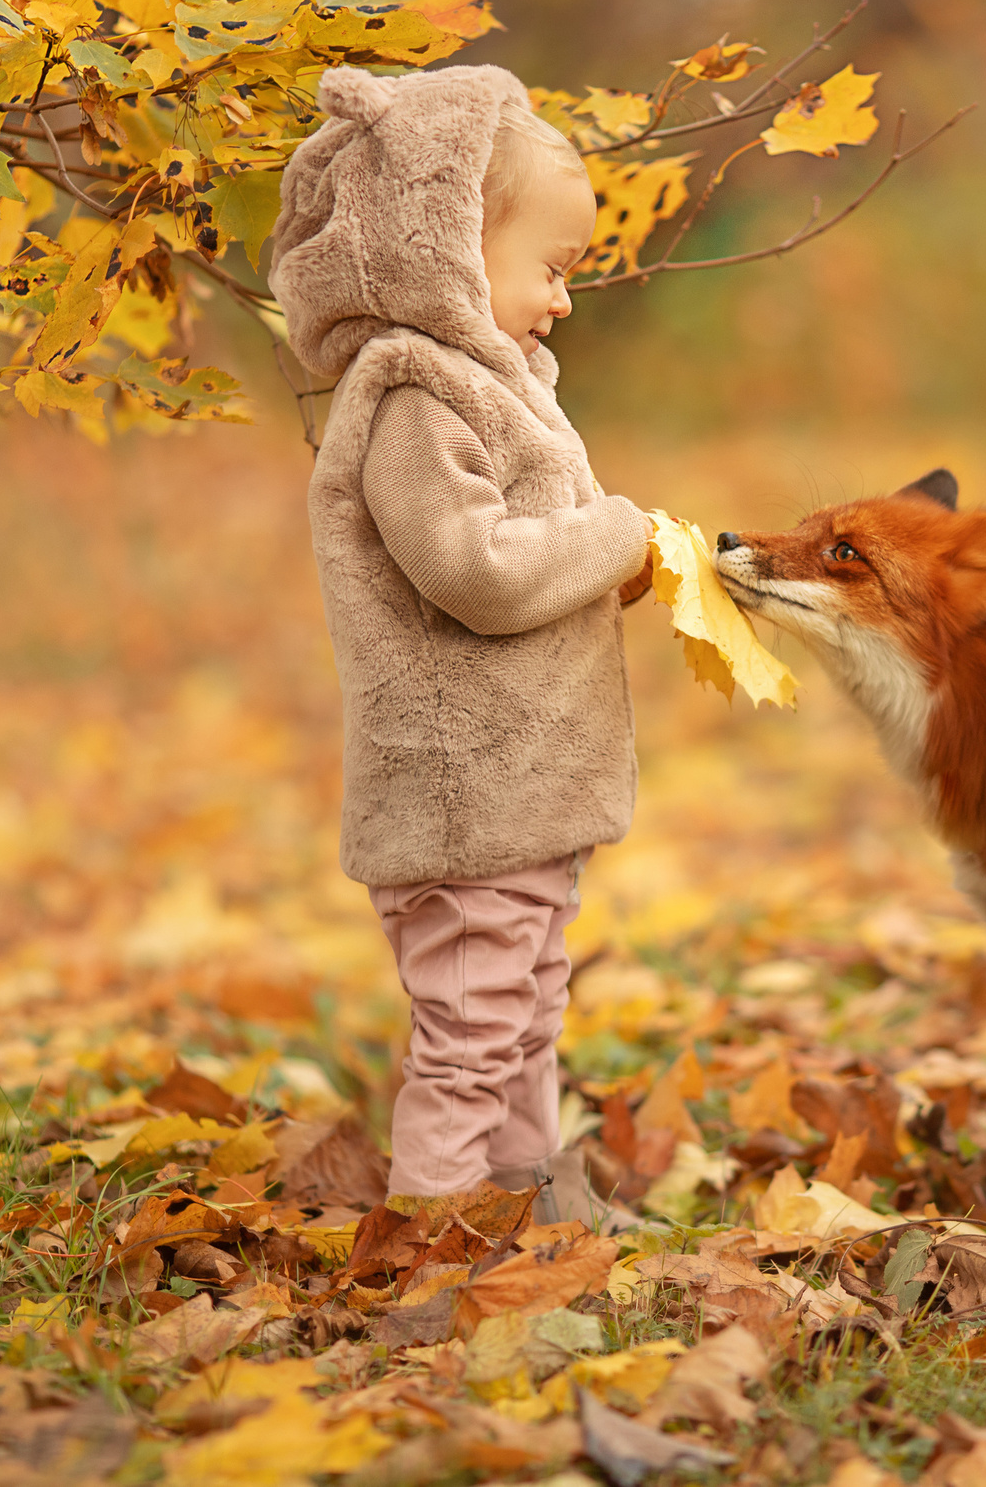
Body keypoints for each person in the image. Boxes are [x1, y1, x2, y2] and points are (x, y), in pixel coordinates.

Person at [267, 62, 653, 1227]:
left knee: (528, 1010)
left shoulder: (496, 390)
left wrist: (608, 577)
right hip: (463, 802)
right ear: (444, 250)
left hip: (520, 792)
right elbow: (475, 572)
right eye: (551, 268)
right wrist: (617, 533)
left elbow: (529, 564)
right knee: (472, 1035)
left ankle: (525, 1201)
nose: (563, 300)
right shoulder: (413, 400)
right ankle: (433, 1238)